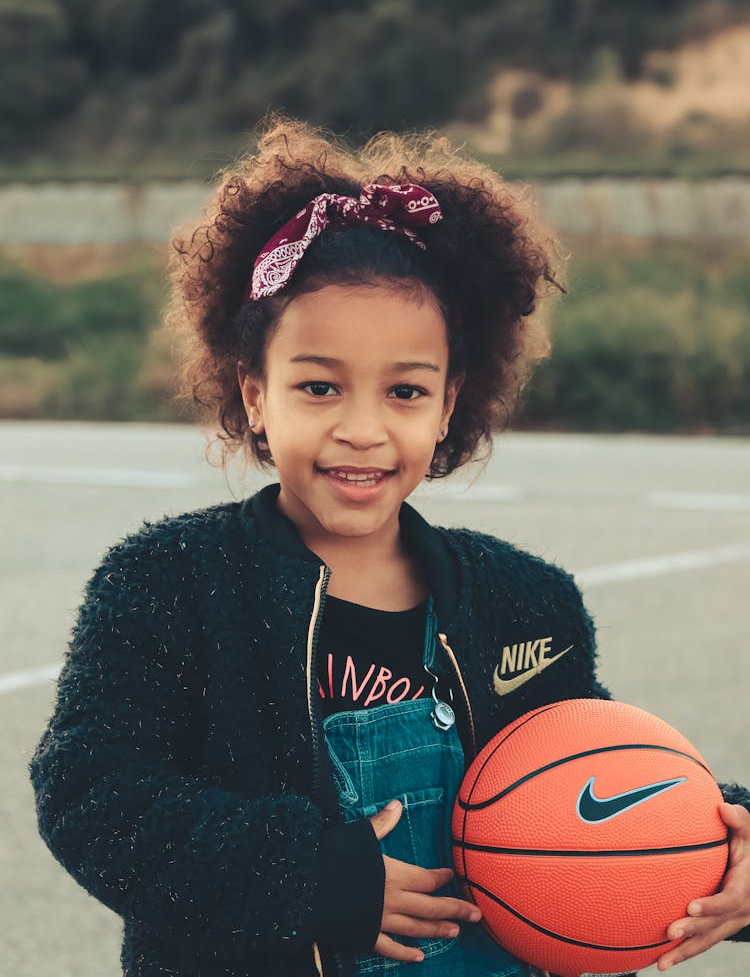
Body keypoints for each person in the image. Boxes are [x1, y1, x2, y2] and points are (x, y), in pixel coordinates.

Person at [30, 116, 750, 977]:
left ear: (450, 406)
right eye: (319, 386)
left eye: (405, 390)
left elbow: (596, 785)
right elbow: (91, 791)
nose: (363, 429)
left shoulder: (527, 600)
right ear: (254, 394)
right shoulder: (170, 581)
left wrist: (724, 842)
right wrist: (310, 879)